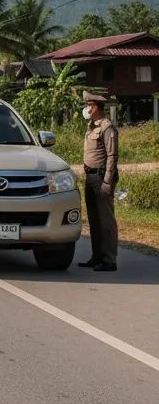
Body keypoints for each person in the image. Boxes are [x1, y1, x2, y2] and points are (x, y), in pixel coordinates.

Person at [80, 90, 119, 272]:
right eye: (87, 105)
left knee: (106, 221)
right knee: (94, 220)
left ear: (96, 106)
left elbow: (112, 155)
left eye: (89, 105)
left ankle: (109, 260)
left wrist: (107, 181)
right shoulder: (92, 126)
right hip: (91, 177)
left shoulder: (106, 127)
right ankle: (97, 256)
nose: (87, 108)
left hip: (102, 177)